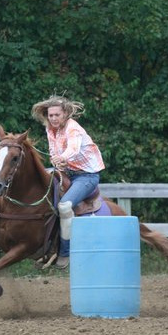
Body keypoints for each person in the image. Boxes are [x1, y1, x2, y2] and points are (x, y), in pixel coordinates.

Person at [31, 95, 105, 269]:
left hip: (86, 175)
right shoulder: (50, 129)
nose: (54, 118)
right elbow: (52, 150)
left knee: (64, 206)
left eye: (57, 115)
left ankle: (65, 252)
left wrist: (61, 158)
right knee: (43, 195)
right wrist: (56, 161)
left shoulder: (73, 128)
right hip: (66, 172)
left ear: (65, 114)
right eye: (51, 115)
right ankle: (46, 247)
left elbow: (73, 149)